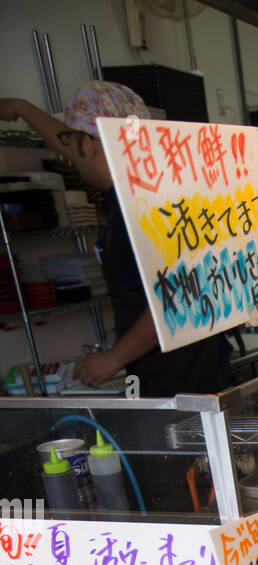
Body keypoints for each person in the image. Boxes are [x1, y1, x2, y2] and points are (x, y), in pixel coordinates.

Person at [0, 82, 230, 396]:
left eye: (73, 146)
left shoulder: (138, 212)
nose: (69, 158)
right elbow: (73, 141)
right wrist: (20, 108)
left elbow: (177, 297)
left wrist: (113, 358)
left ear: (91, 145)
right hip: (198, 369)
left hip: (179, 384)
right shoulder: (154, 193)